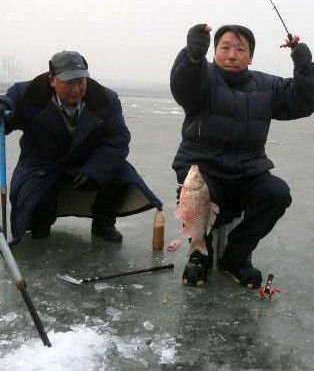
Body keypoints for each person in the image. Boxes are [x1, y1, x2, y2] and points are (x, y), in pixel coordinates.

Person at [170, 23, 314, 288]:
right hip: (202, 169)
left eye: (239, 49)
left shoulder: (267, 86)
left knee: (277, 193)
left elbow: (304, 101)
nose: (232, 54)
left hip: (248, 171)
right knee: (197, 195)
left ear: (250, 56)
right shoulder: (202, 77)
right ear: (213, 52)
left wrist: (304, 66)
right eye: (224, 48)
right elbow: (183, 88)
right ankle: (200, 255)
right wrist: (192, 56)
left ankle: (236, 256)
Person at [0, 50, 162, 245]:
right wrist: (3, 107)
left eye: (81, 82)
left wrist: (95, 170)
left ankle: (103, 224)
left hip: (86, 161)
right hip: (42, 164)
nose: (76, 89)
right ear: (52, 80)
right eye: (69, 83)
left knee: (119, 177)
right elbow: (11, 105)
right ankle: (39, 227)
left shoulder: (105, 100)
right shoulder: (30, 94)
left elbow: (117, 140)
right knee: (35, 203)